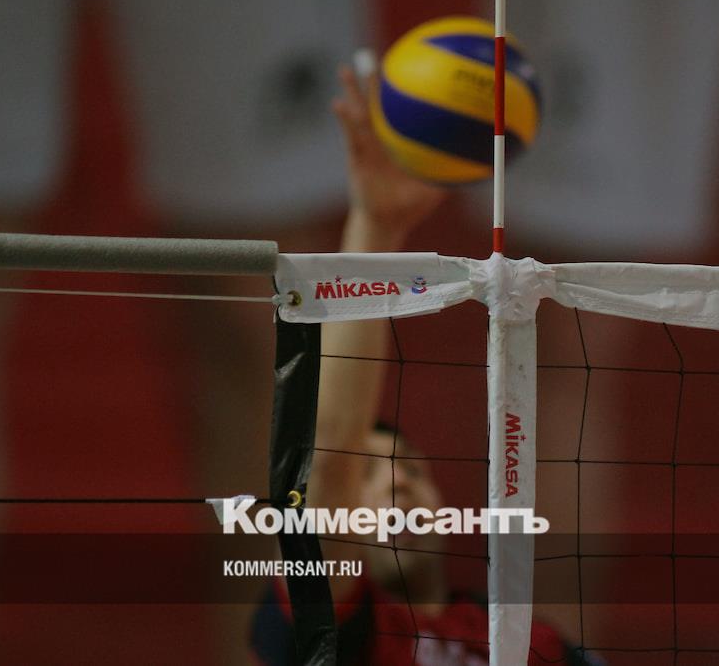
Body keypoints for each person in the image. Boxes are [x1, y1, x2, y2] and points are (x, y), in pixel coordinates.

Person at [248, 64, 598, 666]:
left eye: (410, 469)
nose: (399, 483)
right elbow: (328, 457)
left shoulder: (534, 645)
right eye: (369, 477)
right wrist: (376, 226)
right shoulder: (340, 628)